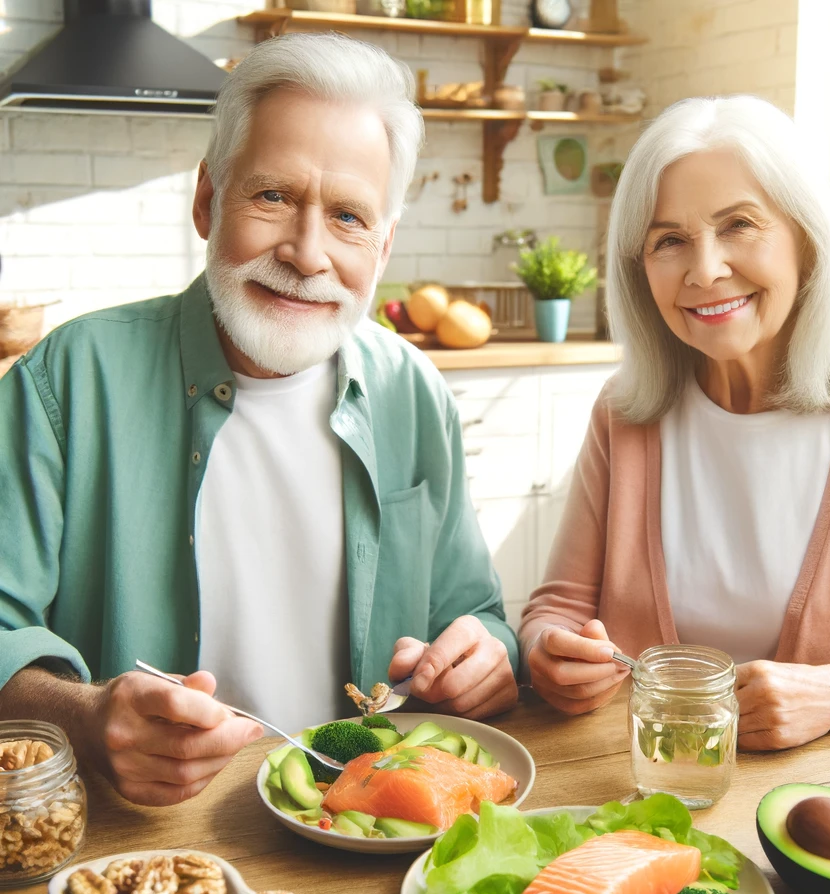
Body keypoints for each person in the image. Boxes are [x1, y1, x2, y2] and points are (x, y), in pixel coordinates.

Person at [0, 34, 518, 806]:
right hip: (142, 841)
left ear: (383, 246)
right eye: (273, 196)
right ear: (208, 200)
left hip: (362, 834)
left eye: (348, 216)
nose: (307, 253)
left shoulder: (414, 389)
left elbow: (475, 613)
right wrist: (81, 716)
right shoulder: (68, 378)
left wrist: (488, 657)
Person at [520, 95, 830, 750]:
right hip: (646, 791)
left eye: (739, 225)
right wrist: (549, 654)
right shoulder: (625, 412)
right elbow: (555, 609)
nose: (705, 270)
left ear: (805, 240)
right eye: (669, 240)